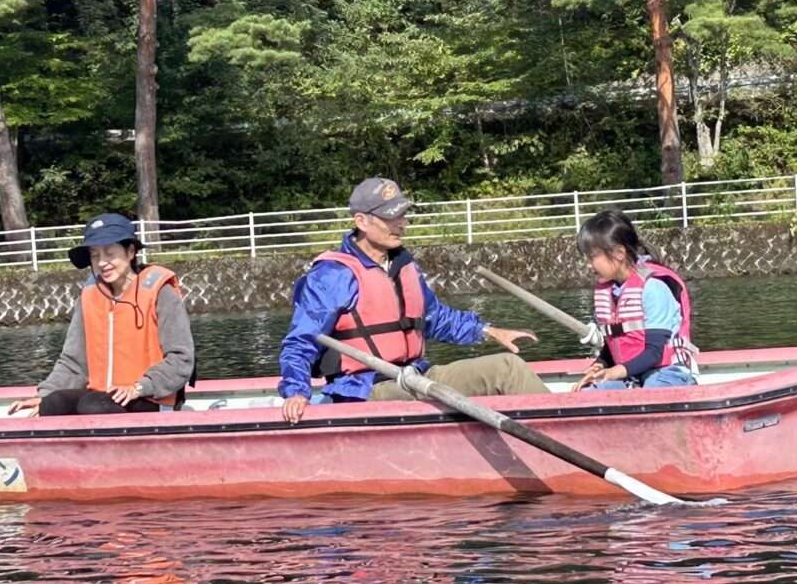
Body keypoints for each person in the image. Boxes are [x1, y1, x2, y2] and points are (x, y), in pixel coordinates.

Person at [279, 177, 549, 423]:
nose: (401, 223)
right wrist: (296, 391)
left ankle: (564, 432)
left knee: (507, 368)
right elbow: (300, 342)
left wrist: (488, 330)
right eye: (390, 217)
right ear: (361, 221)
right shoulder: (331, 276)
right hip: (366, 389)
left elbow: (434, 318)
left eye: (402, 215)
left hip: (414, 376)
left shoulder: (402, 266)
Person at [7, 213, 195, 417]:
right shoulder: (89, 297)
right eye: (95, 255)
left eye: (109, 253)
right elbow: (73, 362)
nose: (102, 262)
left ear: (130, 251)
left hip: (149, 396)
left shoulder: (161, 292)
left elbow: (181, 358)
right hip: (101, 399)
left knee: (93, 405)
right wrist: (45, 395)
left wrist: (139, 388)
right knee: (54, 403)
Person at [573, 210, 697, 392]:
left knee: (653, 390)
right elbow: (613, 342)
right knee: (589, 392)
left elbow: (655, 353)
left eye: (592, 257)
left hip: (667, 371)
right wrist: (600, 365)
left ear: (618, 253)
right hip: (630, 373)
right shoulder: (610, 292)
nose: (588, 264)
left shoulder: (653, 289)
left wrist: (615, 372)